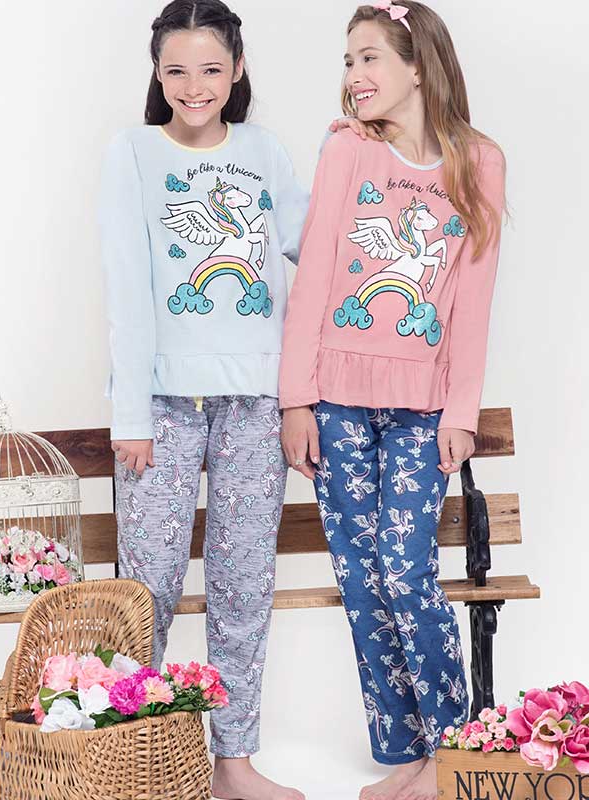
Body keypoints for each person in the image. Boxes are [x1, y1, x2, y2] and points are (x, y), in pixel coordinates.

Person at [279, 3, 506, 798]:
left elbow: (473, 302)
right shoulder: (347, 150)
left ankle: (451, 751)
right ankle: (408, 755)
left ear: (418, 65)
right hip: (335, 405)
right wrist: (296, 400)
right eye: (348, 61)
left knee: (407, 574)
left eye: (369, 57)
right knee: (363, 580)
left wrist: (462, 412)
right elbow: (313, 277)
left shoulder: (478, 162)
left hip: (421, 408)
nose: (355, 75)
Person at [99, 2, 311, 798]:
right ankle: (132, 755)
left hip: (255, 402)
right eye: (178, 70)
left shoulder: (264, 151)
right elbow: (127, 290)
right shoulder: (132, 153)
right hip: (162, 406)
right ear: (157, 74)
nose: (195, 87)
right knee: (147, 586)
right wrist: (130, 416)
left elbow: (315, 252)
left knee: (243, 582)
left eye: (212, 69)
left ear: (238, 69)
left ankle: (234, 762)